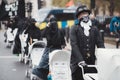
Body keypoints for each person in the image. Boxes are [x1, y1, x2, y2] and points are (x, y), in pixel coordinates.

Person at [70, 5, 105, 80]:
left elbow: (100, 44)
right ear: (78, 16)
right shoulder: (74, 28)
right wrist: (80, 60)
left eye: (86, 13)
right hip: (77, 63)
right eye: (82, 14)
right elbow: (74, 45)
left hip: (91, 63)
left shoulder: (94, 29)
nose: (84, 15)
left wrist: (105, 56)